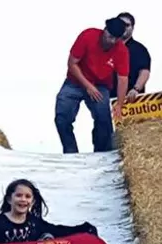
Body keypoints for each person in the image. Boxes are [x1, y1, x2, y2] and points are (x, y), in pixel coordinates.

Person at [54, 17, 130, 154]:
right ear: (105, 30)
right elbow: (72, 63)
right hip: (75, 81)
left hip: (101, 85)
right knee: (62, 116)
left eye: (115, 39)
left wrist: (119, 104)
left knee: (104, 120)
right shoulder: (88, 36)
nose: (111, 41)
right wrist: (88, 86)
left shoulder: (121, 51)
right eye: (109, 36)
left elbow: (123, 79)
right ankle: (71, 152)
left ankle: (101, 154)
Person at [0, 179, 98, 244]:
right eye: (18, 195)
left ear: (33, 201)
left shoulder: (33, 222)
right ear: (9, 199)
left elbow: (57, 230)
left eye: (27, 197)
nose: (23, 200)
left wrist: (82, 229)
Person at [110, 12, 152, 101]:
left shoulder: (140, 49)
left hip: (132, 101)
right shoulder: (107, 46)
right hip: (108, 99)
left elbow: (144, 72)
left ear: (132, 28)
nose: (123, 27)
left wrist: (136, 89)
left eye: (127, 25)